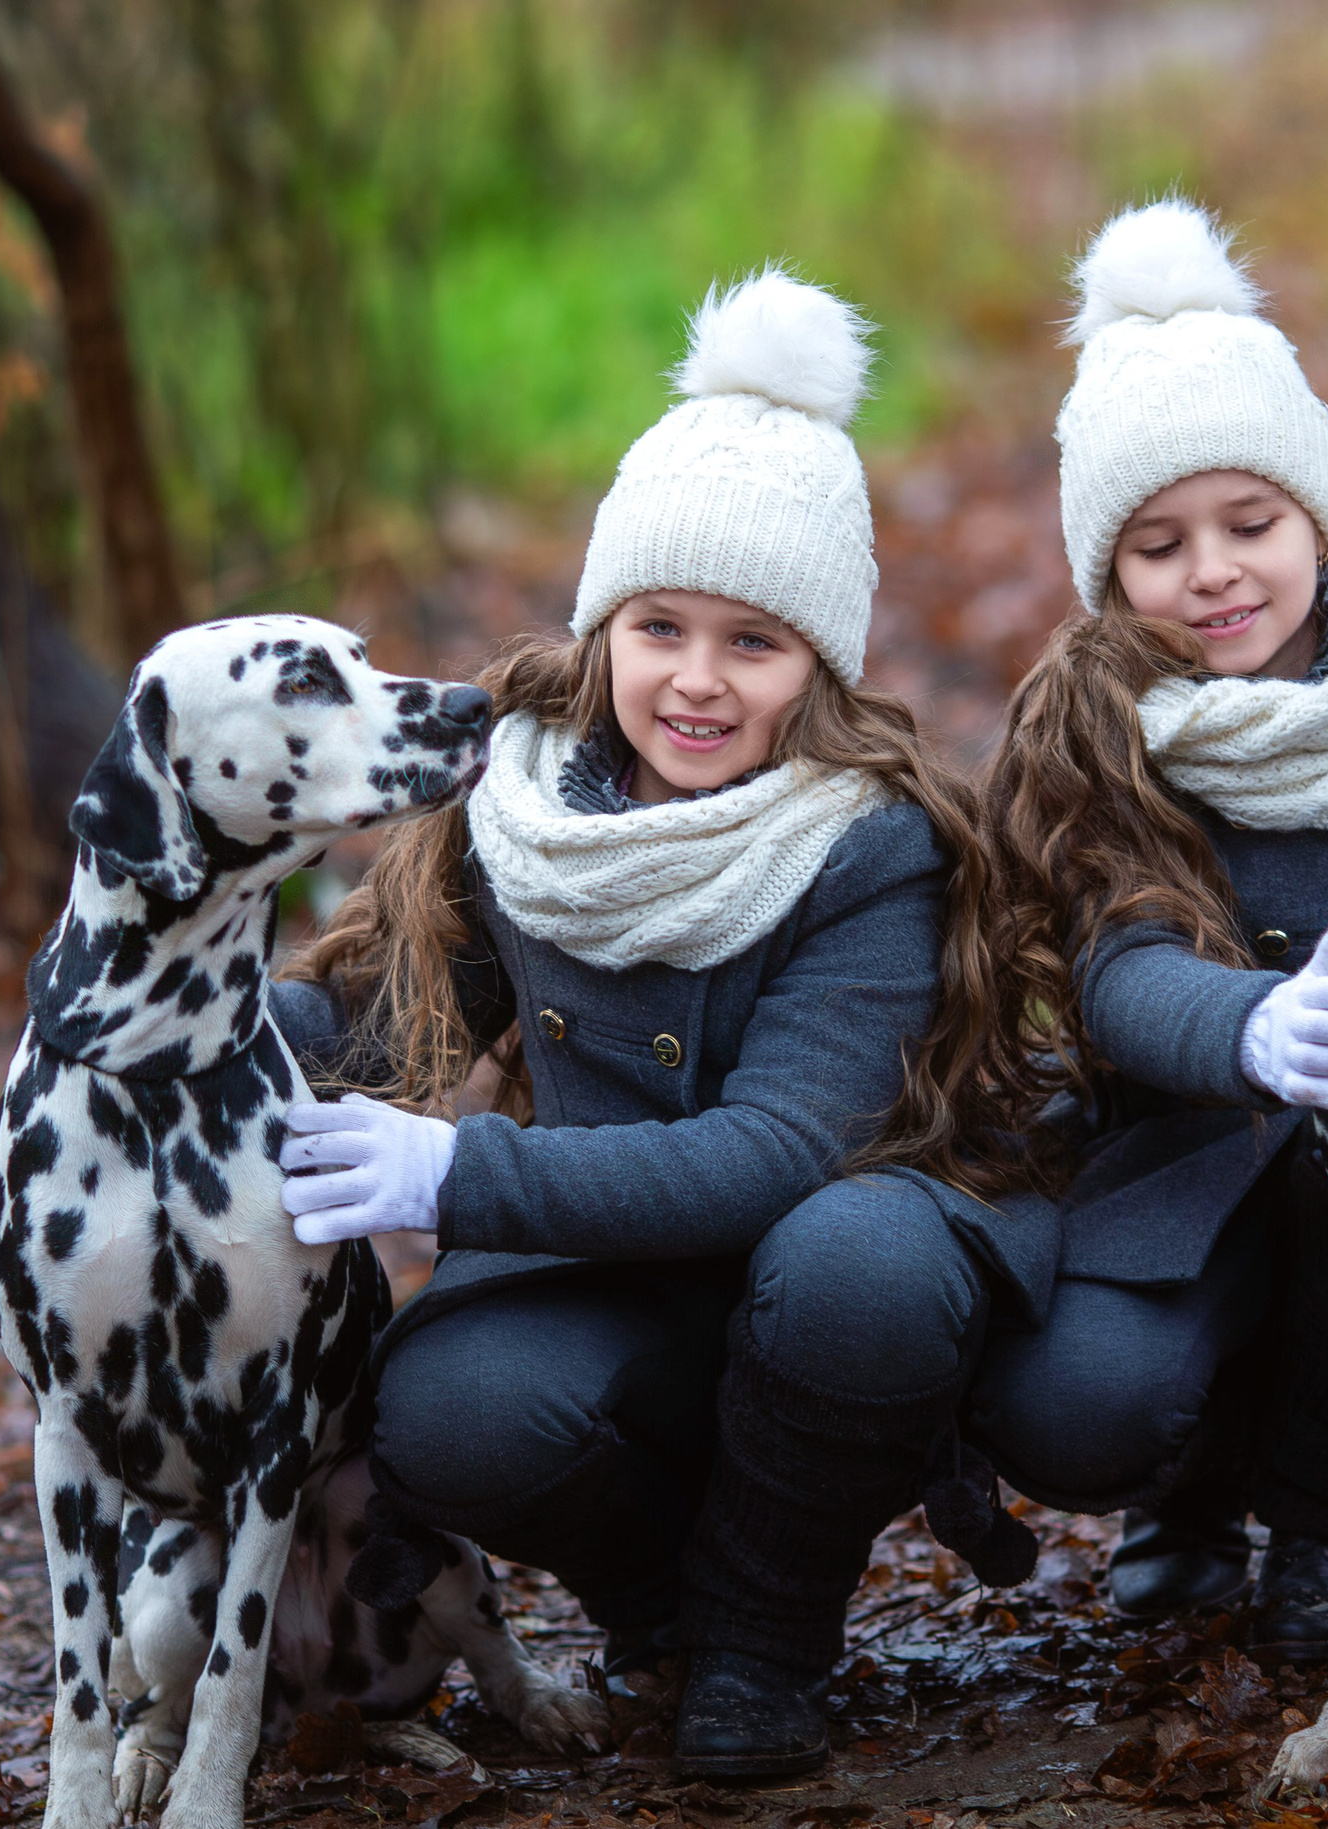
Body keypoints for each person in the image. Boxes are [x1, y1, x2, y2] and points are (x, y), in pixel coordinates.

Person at [264, 271, 1048, 1778]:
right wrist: (199, 1027)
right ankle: (661, 1611)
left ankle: (766, 1631)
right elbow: (388, 1010)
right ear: (604, 625)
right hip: (618, 1276)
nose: (695, 680)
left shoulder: (870, 843)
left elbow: (768, 1155)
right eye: (660, 627)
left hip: (826, 1259)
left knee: (854, 1268)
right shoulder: (530, 807)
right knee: (454, 1410)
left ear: (818, 663)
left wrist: (453, 1176)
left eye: (753, 643)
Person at [964, 199, 1328, 1658]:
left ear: (1318, 519)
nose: (1216, 572)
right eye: (1160, 545)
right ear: (1109, 574)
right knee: (1084, 1394)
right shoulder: (1101, 720)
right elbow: (1111, 966)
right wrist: (1249, 1022)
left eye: (1253, 524)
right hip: (1194, 1140)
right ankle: (1189, 1486)